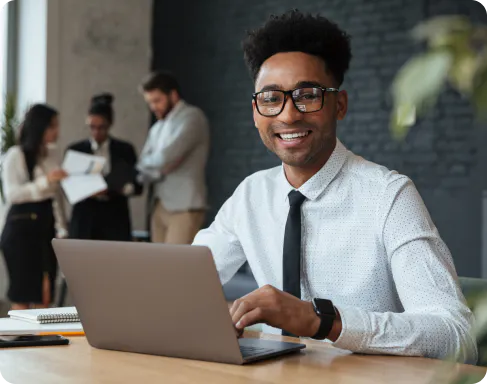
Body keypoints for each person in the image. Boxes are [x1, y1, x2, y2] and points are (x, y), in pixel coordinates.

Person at [193, 10, 478, 363]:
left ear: (339, 105)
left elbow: (457, 336)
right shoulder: (251, 194)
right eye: (270, 98)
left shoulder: (388, 196)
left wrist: (321, 321)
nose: (287, 115)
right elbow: (183, 283)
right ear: (255, 112)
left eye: (308, 95)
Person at [0, 104, 68, 310]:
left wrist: (63, 229)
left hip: (46, 229)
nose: (57, 131)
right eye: (52, 126)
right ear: (40, 127)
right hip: (21, 232)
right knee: (23, 295)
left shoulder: (52, 156)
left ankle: (42, 342)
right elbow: (13, 194)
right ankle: (17, 342)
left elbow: (57, 200)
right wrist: (45, 182)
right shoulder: (16, 155)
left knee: (45, 296)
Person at [137, 71, 209, 244]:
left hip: (185, 207)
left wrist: (157, 163)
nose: (153, 107)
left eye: (157, 100)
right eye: (150, 103)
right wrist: (160, 168)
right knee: (158, 267)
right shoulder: (158, 126)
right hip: (160, 205)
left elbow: (165, 158)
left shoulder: (192, 117)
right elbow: (141, 163)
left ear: (173, 95)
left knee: (176, 268)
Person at [67, 93, 142, 241]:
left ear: (110, 124)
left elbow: (138, 185)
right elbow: (68, 187)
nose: (96, 133)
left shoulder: (124, 150)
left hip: (115, 217)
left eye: (101, 128)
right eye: (92, 127)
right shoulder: (76, 150)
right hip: (85, 218)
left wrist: (121, 188)